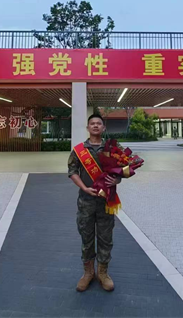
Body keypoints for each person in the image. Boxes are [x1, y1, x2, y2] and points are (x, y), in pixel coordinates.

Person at [68, 114, 121, 292]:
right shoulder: (79, 150)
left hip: (106, 201)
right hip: (86, 202)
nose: (96, 126)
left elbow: (122, 168)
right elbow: (72, 171)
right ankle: (88, 273)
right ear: (88, 127)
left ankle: (103, 273)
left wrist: (118, 180)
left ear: (103, 128)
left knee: (106, 238)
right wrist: (84, 187)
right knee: (87, 238)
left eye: (99, 123)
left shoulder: (112, 148)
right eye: (92, 123)